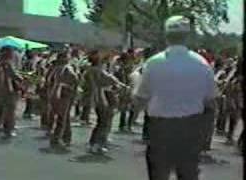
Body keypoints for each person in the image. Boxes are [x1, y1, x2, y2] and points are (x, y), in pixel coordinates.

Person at [132, 16, 216, 180]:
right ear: (188, 36)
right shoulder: (202, 64)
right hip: (190, 128)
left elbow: (139, 100)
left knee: (158, 175)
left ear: (166, 35)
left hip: (160, 129)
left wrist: (135, 80)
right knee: (188, 175)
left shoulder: (153, 63)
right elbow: (210, 101)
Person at [86, 50, 128, 154]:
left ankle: (94, 142)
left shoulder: (91, 69)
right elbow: (110, 78)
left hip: (96, 96)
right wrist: (122, 86)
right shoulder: (97, 70)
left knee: (101, 121)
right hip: (100, 97)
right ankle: (98, 144)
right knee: (104, 121)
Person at [48, 52, 79, 150]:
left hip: (55, 93)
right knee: (63, 117)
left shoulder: (55, 69)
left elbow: (49, 80)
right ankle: (57, 138)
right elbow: (76, 79)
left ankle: (66, 137)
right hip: (64, 94)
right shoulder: (67, 68)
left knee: (63, 117)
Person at [0, 47, 23, 138]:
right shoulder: (8, 64)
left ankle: (4, 127)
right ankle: (9, 129)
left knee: (4, 110)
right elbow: (14, 75)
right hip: (8, 90)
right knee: (10, 110)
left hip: (1, 90)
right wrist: (23, 79)